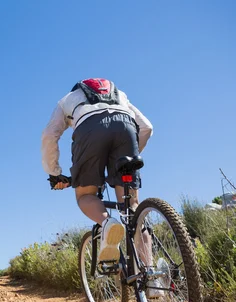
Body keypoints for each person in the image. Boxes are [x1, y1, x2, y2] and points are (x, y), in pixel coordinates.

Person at [41, 78, 153, 262]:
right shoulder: (120, 95)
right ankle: (152, 278)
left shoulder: (67, 99)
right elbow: (147, 128)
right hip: (126, 126)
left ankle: (108, 224)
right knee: (132, 207)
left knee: (85, 196)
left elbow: (49, 135)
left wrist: (54, 172)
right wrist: (125, 162)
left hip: (89, 129)